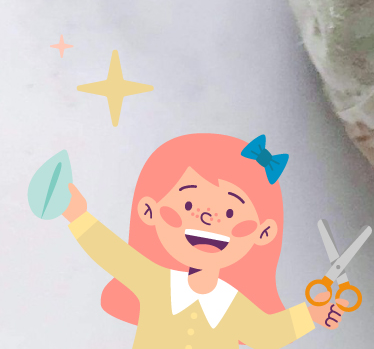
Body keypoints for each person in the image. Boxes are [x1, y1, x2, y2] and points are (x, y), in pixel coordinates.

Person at [63, 132, 347, 348]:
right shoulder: (155, 283)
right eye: (189, 206)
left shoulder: (232, 306)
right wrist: (78, 215)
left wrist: (310, 315)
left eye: (230, 213)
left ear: (263, 233)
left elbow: (266, 333)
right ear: (150, 211)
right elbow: (113, 254)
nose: (209, 219)